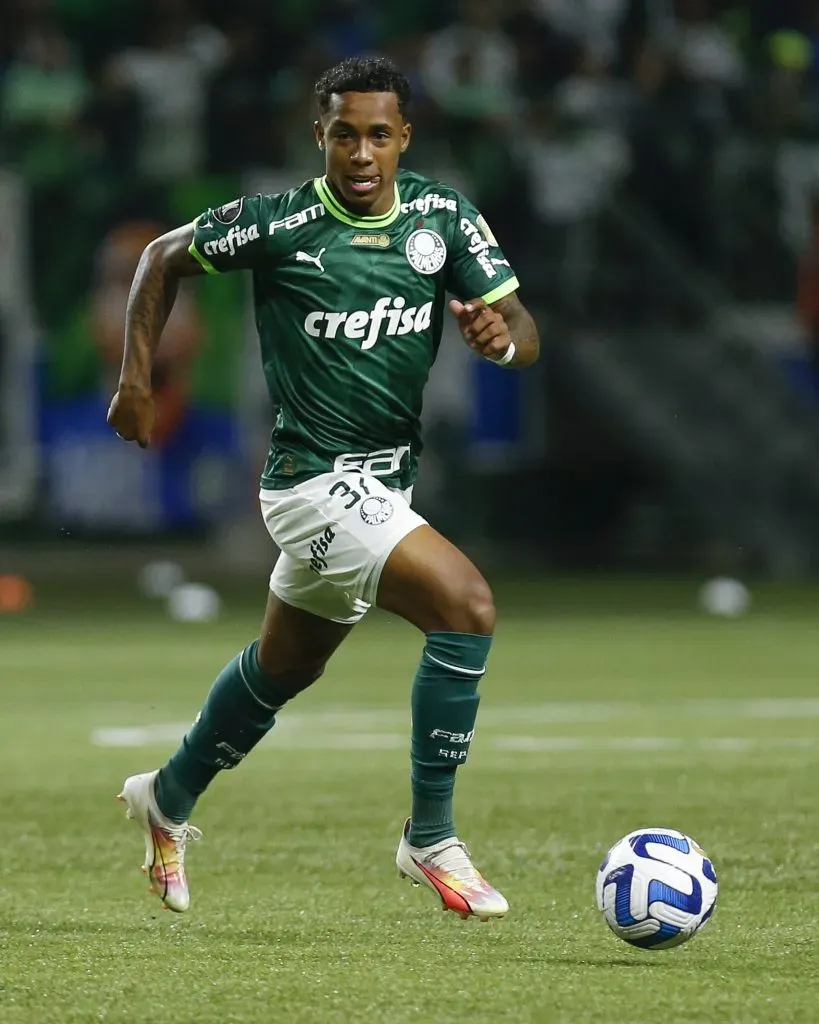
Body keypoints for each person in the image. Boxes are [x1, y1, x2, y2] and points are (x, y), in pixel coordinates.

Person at [107, 56, 540, 921]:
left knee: (281, 669)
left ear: (403, 138)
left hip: (386, 489)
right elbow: (161, 257)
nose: (362, 151)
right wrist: (136, 378)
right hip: (309, 484)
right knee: (466, 605)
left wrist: (498, 338)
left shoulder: (442, 218)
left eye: (379, 134)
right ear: (321, 137)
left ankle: (167, 794)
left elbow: (524, 331)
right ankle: (430, 838)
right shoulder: (280, 223)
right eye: (344, 133)